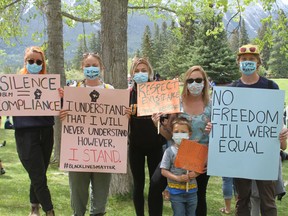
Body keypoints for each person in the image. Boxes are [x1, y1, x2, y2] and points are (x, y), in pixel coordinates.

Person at [231, 44, 288, 216]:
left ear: (258, 63)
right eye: (244, 59)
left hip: (265, 155)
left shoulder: (270, 87)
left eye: (251, 59)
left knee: (268, 200)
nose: (247, 62)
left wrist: (283, 134)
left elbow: (277, 120)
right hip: (241, 154)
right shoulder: (232, 89)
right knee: (242, 200)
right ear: (238, 62)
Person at [151, 65, 212, 216]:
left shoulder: (212, 106)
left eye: (198, 80)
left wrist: (207, 157)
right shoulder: (177, 103)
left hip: (201, 158)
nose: (194, 84)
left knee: (199, 195)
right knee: (155, 184)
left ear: (204, 82)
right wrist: (156, 124)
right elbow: (169, 134)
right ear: (186, 83)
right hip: (175, 154)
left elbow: (219, 136)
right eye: (190, 80)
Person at [60, 53, 113, 216]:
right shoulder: (73, 90)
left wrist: (123, 115)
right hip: (78, 151)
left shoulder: (110, 90)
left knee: (100, 198)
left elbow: (115, 117)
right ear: (82, 67)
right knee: (78, 195)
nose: (91, 69)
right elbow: (67, 116)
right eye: (88, 65)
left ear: (101, 68)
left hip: (103, 152)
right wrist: (64, 115)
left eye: (95, 65)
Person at [13, 46, 56, 216]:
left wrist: (60, 96)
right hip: (26, 134)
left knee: (39, 172)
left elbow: (58, 106)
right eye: (31, 61)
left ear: (43, 64)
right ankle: (49, 210)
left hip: (46, 132)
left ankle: (34, 207)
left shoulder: (49, 83)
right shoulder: (14, 84)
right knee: (38, 176)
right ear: (25, 62)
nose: (35, 64)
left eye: (39, 61)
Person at [126, 57, 166, 216]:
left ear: (150, 72)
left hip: (156, 145)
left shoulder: (158, 92)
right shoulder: (128, 94)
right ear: (132, 74)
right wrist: (125, 117)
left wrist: (161, 116)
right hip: (135, 146)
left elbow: (167, 118)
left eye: (144, 70)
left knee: (156, 185)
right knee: (138, 185)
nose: (140, 73)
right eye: (137, 71)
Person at [160, 117, 199, 216]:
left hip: (192, 192)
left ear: (189, 134)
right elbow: (163, 171)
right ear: (172, 134)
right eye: (176, 132)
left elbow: (199, 169)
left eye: (183, 132)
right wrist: (178, 178)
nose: (179, 134)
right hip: (176, 192)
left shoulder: (194, 150)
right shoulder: (169, 151)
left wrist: (194, 174)